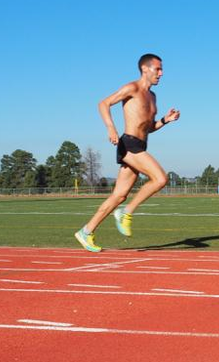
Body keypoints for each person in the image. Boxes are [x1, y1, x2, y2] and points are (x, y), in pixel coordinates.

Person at [74, 53, 180, 252]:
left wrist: (165, 121)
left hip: (140, 145)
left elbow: (147, 128)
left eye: (161, 69)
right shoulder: (132, 88)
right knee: (160, 179)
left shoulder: (153, 97)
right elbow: (103, 103)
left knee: (119, 196)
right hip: (128, 144)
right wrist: (110, 128)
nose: (161, 73)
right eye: (157, 69)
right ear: (145, 69)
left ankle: (86, 231)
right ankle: (127, 213)